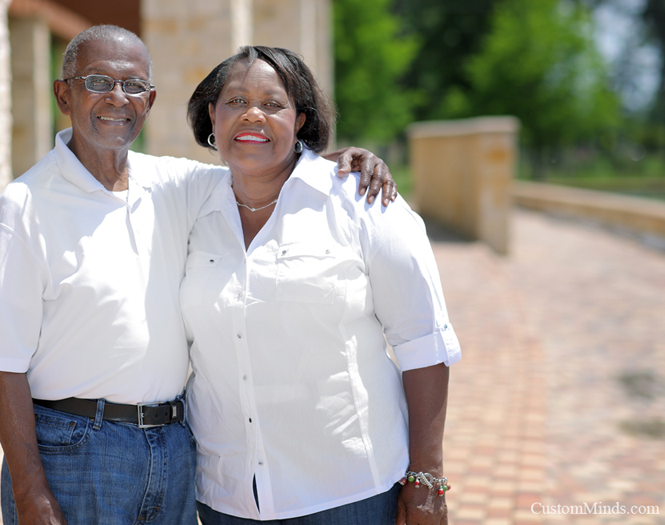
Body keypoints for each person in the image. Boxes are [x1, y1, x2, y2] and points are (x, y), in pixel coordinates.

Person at [0, 26, 394, 525]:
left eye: (132, 86)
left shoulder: (175, 184)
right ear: (64, 94)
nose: (116, 97)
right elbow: (2, 366)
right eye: (97, 81)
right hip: (75, 451)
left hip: (174, 449)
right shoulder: (21, 208)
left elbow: (263, 162)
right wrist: (31, 492)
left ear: (149, 101)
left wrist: (339, 165)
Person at [181, 46, 461, 525]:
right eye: (235, 101)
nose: (252, 114)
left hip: (348, 493)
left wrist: (427, 479)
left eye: (273, 104)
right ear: (211, 115)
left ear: (301, 119)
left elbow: (423, 345)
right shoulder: (187, 204)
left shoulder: (364, 202)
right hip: (226, 498)